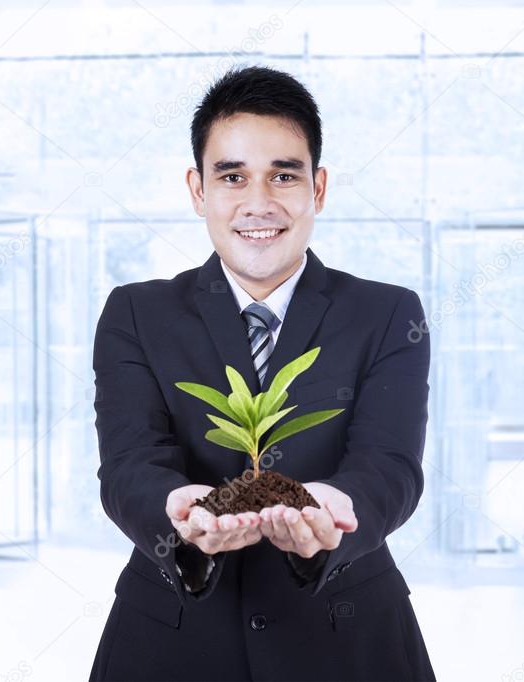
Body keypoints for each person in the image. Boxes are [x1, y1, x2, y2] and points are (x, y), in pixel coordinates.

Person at [89, 64, 435, 681]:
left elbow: (391, 466)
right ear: (198, 190)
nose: (258, 203)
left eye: (283, 174)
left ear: (318, 188)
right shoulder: (136, 312)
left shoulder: (387, 313)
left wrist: (334, 514)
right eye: (232, 176)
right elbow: (127, 463)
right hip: (171, 643)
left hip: (349, 638)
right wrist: (179, 512)